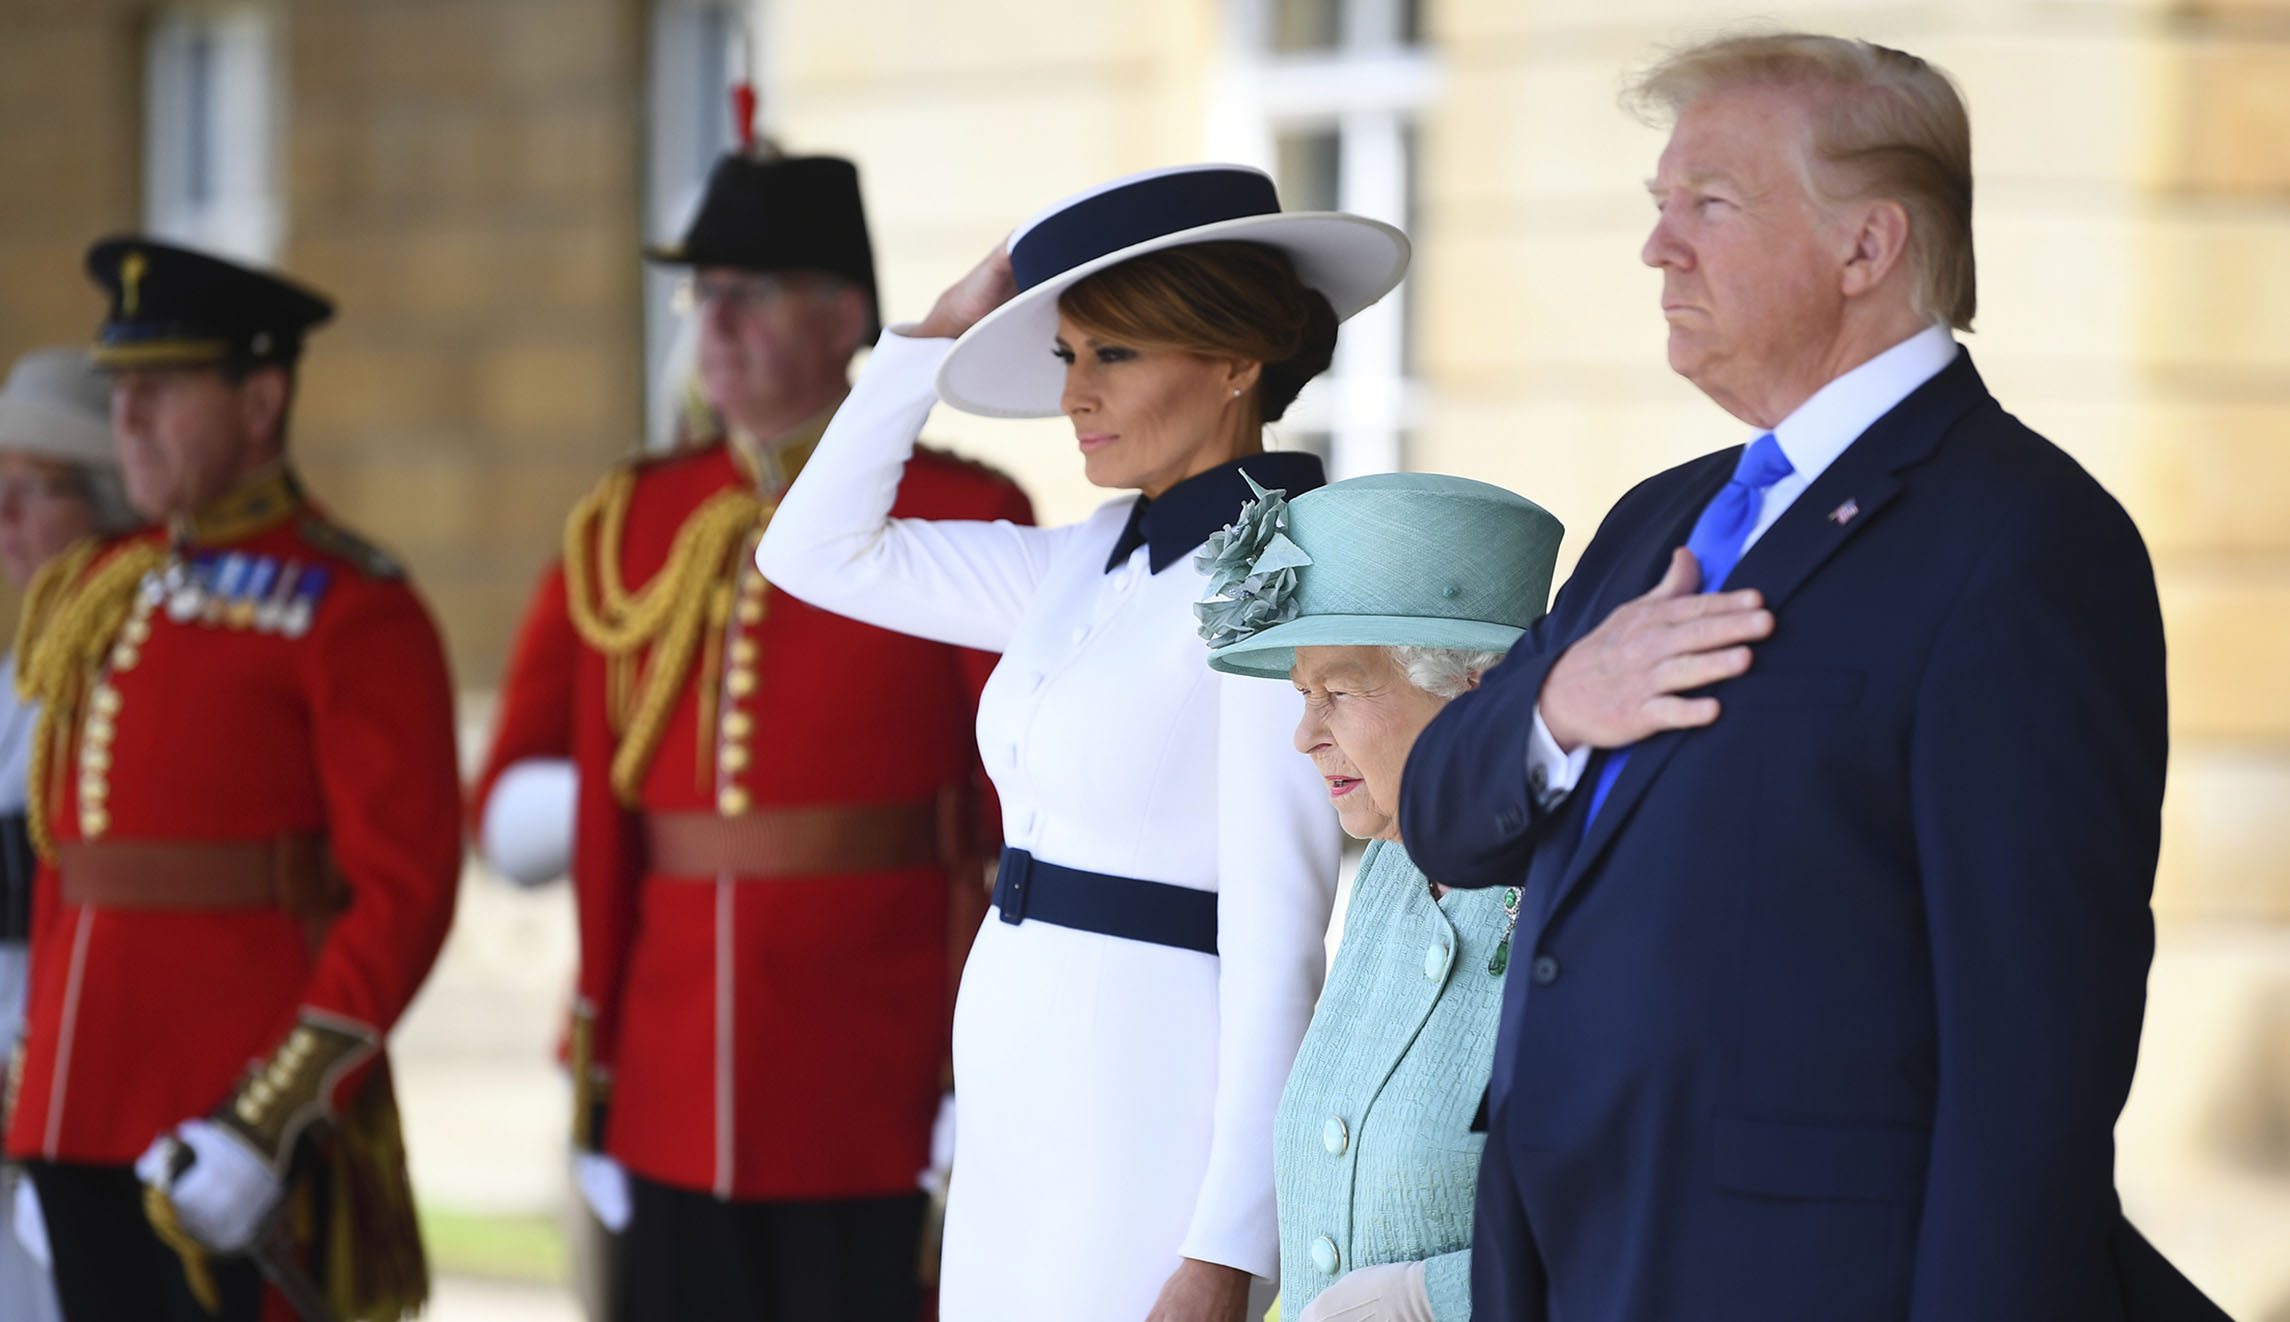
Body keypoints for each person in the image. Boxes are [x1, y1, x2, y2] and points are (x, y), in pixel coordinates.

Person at [1395, 33, 2227, 1322]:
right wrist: (1558, 705)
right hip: (1566, 1263)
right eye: (1659, 204)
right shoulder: (1655, 519)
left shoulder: (2026, 540)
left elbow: (2034, 1057)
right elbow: (1444, 813)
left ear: (1866, 245)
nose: (1657, 248)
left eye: (1709, 204)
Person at [759, 162, 1408, 1321]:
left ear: (1234, 361)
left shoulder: (1276, 580)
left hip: (1147, 1092)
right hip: (1015, 1062)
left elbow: (1277, 939)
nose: (1073, 394)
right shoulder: (1081, 561)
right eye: (1066, 354)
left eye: (1113, 353)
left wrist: (1228, 1245)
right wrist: (927, 340)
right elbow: (810, 550)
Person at [559, 147, 1032, 1322]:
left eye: (750, 293)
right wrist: (600, 1060)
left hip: (873, 1070)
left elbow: (1021, 805)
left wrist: (987, 1059)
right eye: (702, 293)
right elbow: (601, 818)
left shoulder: (963, 510)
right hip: (670, 1072)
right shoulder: (632, 516)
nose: (712, 323)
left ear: (842, 316)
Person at [4, 238, 460, 1322]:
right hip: (78, 1112)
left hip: (231, 1119)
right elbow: (68, 868)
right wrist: (39, 1095)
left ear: (261, 401)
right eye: (122, 389)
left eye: (163, 389)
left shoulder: (353, 603)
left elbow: (403, 894)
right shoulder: (101, 588)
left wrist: (274, 1113)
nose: (129, 417)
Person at [1195, 472, 1562, 1322]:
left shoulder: (1585, 883)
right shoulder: (1394, 867)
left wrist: (1435, 1300)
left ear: (1473, 694)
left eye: (1340, 691)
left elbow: (1640, 1203)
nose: (1303, 734)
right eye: (1302, 694)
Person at [0, 347, 140, 1322]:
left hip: (81, 1094)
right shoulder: (19, 680)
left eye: (34, 489)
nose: (5, 517)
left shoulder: (140, 680)